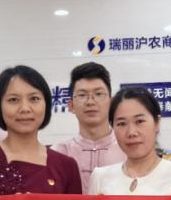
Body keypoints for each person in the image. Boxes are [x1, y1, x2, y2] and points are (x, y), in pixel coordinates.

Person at [0, 65, 82, 196]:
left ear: (46, 104)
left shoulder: (67, 167)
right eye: (13, 100)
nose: (25, 108)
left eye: (34, 99)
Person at [89, 88, 171, 195]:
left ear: (157, 123)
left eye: (139, 121)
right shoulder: (100, 178)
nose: (131, 132)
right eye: (122, 123)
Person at [51, 61, 125, 192]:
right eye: (82, 95)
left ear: (111, 102)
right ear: (71, 106)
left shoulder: (127, 150)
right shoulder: (58, 153)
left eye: (98, 94)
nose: (90, 102)